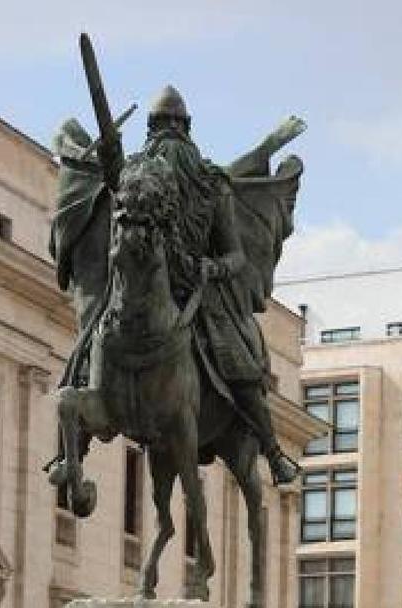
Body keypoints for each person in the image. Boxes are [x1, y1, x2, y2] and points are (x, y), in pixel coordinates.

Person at [140, 85, 299, 485]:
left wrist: (210, 268)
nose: (169, 136)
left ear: (188, 131)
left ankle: (272, 450)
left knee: (241, 365)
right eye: (162, 128)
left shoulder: (213, 184)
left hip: (199, 291)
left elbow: (236, 255)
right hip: (143, 281)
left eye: (175, 128)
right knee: (95, 331)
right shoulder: (135, 176)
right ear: (150, 132)